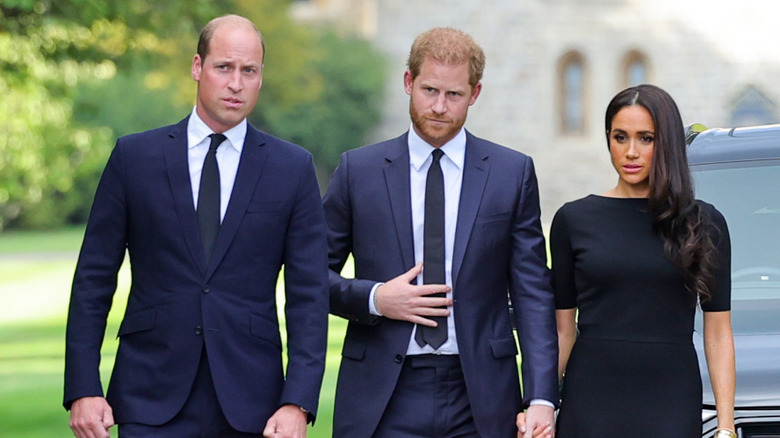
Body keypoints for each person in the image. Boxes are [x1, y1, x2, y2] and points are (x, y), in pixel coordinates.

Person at [63, 14, 329, 438]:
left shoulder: (292, 169)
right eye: (224, 67)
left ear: (261, 77)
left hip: (253, 405)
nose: (236, 83)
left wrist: (297, 401)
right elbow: (94, 278)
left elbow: (309, 295)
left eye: (249, 71)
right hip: (148, 395)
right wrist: (82, 387)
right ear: (196, 67)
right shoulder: (135, 158)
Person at [324, 27, 558, 438]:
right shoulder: (357, 171)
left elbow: (532, 291)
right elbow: (311, 277)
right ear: (408, 82)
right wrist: (377, 298)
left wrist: (541, 396)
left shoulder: (511, 174)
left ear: (475, 93)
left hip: (480, 394)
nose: (438, 106)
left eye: (453, 95)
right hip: (381, 392)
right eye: (429, 90)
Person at [552, 84, 736, 437]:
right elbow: (563, 330)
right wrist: (540, 404)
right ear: (608, 139)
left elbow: (717, 333)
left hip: (671, 399)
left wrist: (725, 427)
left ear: (664, 143)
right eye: (620, 137)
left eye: (646, 138)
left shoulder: (704, 223)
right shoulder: (573, 220)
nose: (631, 152)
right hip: (589, 400)